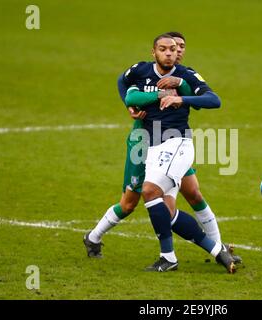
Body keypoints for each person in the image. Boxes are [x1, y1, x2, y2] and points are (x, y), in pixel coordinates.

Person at [83, 33, 241, 269]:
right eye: (167, 48)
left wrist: (180, 94)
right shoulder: (142, 71)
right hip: (143, 142)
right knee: (129, 203)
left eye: (179, 47)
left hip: (172, 144)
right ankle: (93, 237)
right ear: (155, 51)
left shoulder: (185, 77)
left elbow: (209, 99)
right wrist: (131, 106)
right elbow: (124, 85)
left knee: (192, 193)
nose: (175, 52)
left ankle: (211, 248)